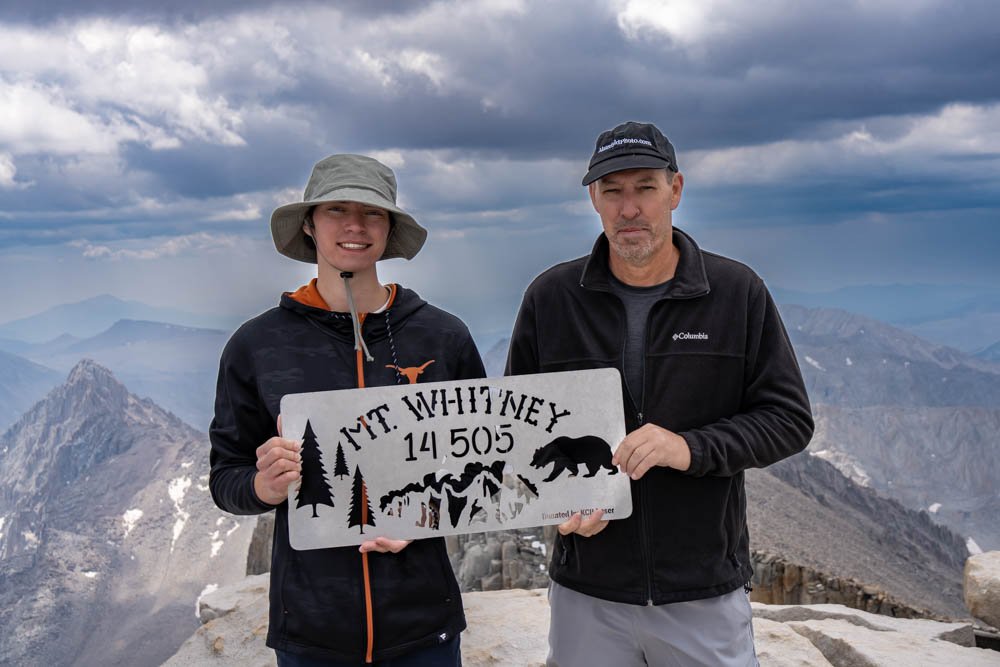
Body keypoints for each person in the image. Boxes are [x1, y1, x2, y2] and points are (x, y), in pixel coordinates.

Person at [506, 121, 814, 666]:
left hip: (702, 590)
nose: (629, 209)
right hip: (588, 592)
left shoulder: (736, 292)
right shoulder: (551, 298)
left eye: (645, 187)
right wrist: (558, 502)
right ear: (593, 199)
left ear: (675, 190)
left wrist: (689, 448)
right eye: (613, 191)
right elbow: (518, 431)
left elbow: (788, 419)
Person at [210, 154, 485, 666]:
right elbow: (226, 475)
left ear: (389, 228)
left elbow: (481, 463)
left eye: (372, 213)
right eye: (336, 209)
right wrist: (262, 487)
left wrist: (425, 516)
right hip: (312, 634)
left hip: (424, 627)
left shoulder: (444, 337)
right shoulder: (256, 346)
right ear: (310, 224)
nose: (355, 225)